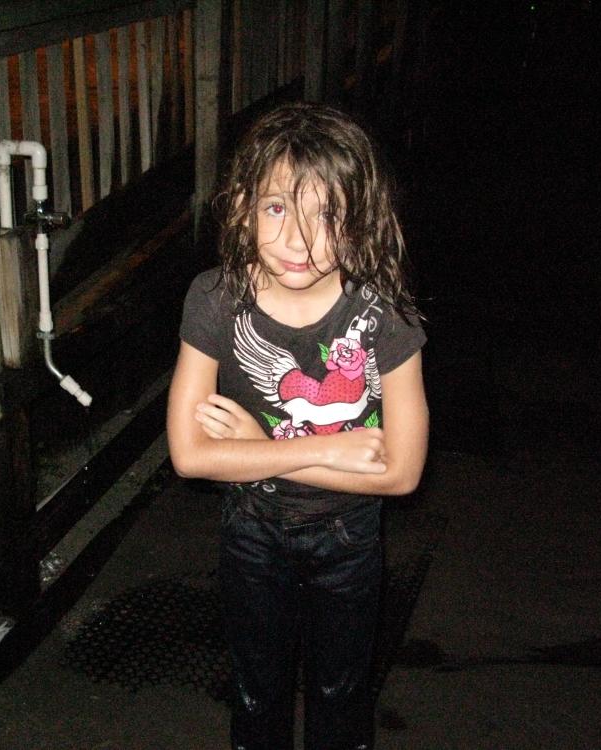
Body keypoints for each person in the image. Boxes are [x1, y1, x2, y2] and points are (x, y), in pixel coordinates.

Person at [166, 102, 428, 750]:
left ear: (360, 219)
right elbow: (189, 455)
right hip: (252, 530)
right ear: (242, 208)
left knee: (341, 694)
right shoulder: (216, 298)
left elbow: (401, 473)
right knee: (257, 693)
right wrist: (332, 450)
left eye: (327, 214)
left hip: (348, 538)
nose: (298, 242)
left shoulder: (383, 316)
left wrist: (257, 447)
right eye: (278, 207)